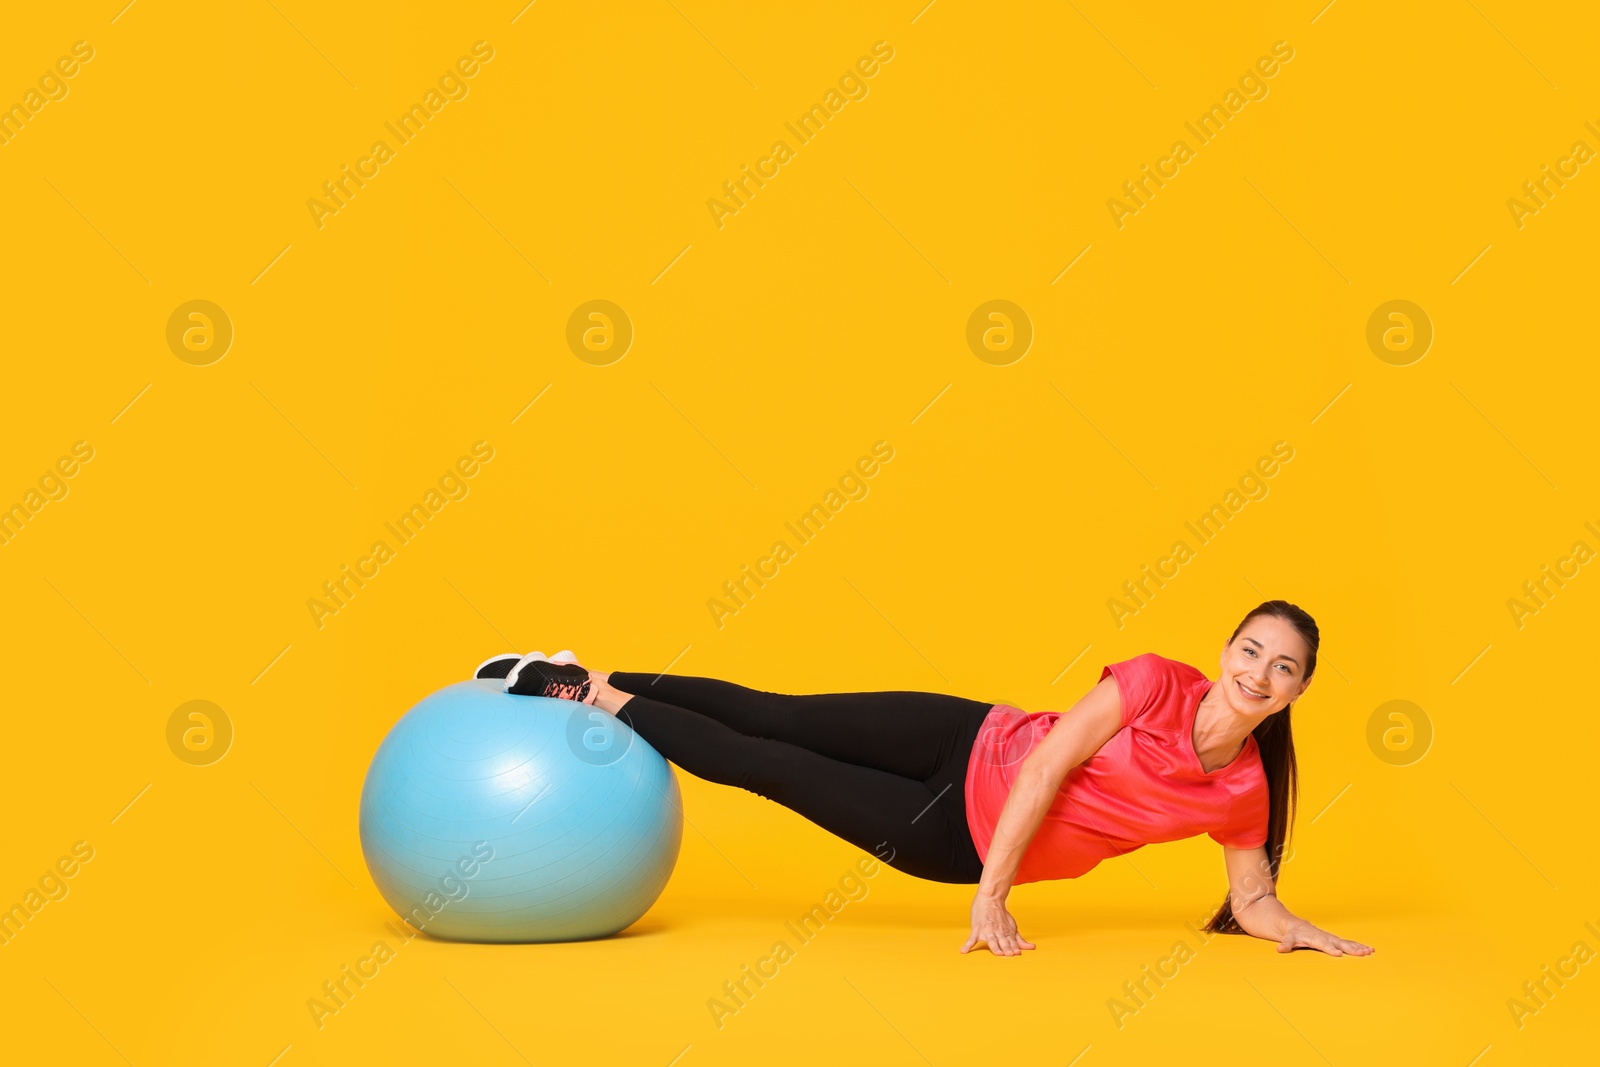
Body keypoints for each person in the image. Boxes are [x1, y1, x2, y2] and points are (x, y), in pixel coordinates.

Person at [473, 599, 1373, 959]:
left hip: (954, 834)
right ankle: (588, 674)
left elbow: (1252, 897)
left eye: (1282, 666)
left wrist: (1296, 929)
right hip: (971, 731)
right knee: (777, 709)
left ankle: (577, 692)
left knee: (769, 765)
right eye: (1249, 649)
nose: (1258, 671)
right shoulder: (1151, 680)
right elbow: (1050, 763)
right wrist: (997, 900)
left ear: (1299, 688)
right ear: (1225, 650)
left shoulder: (1244, 789)